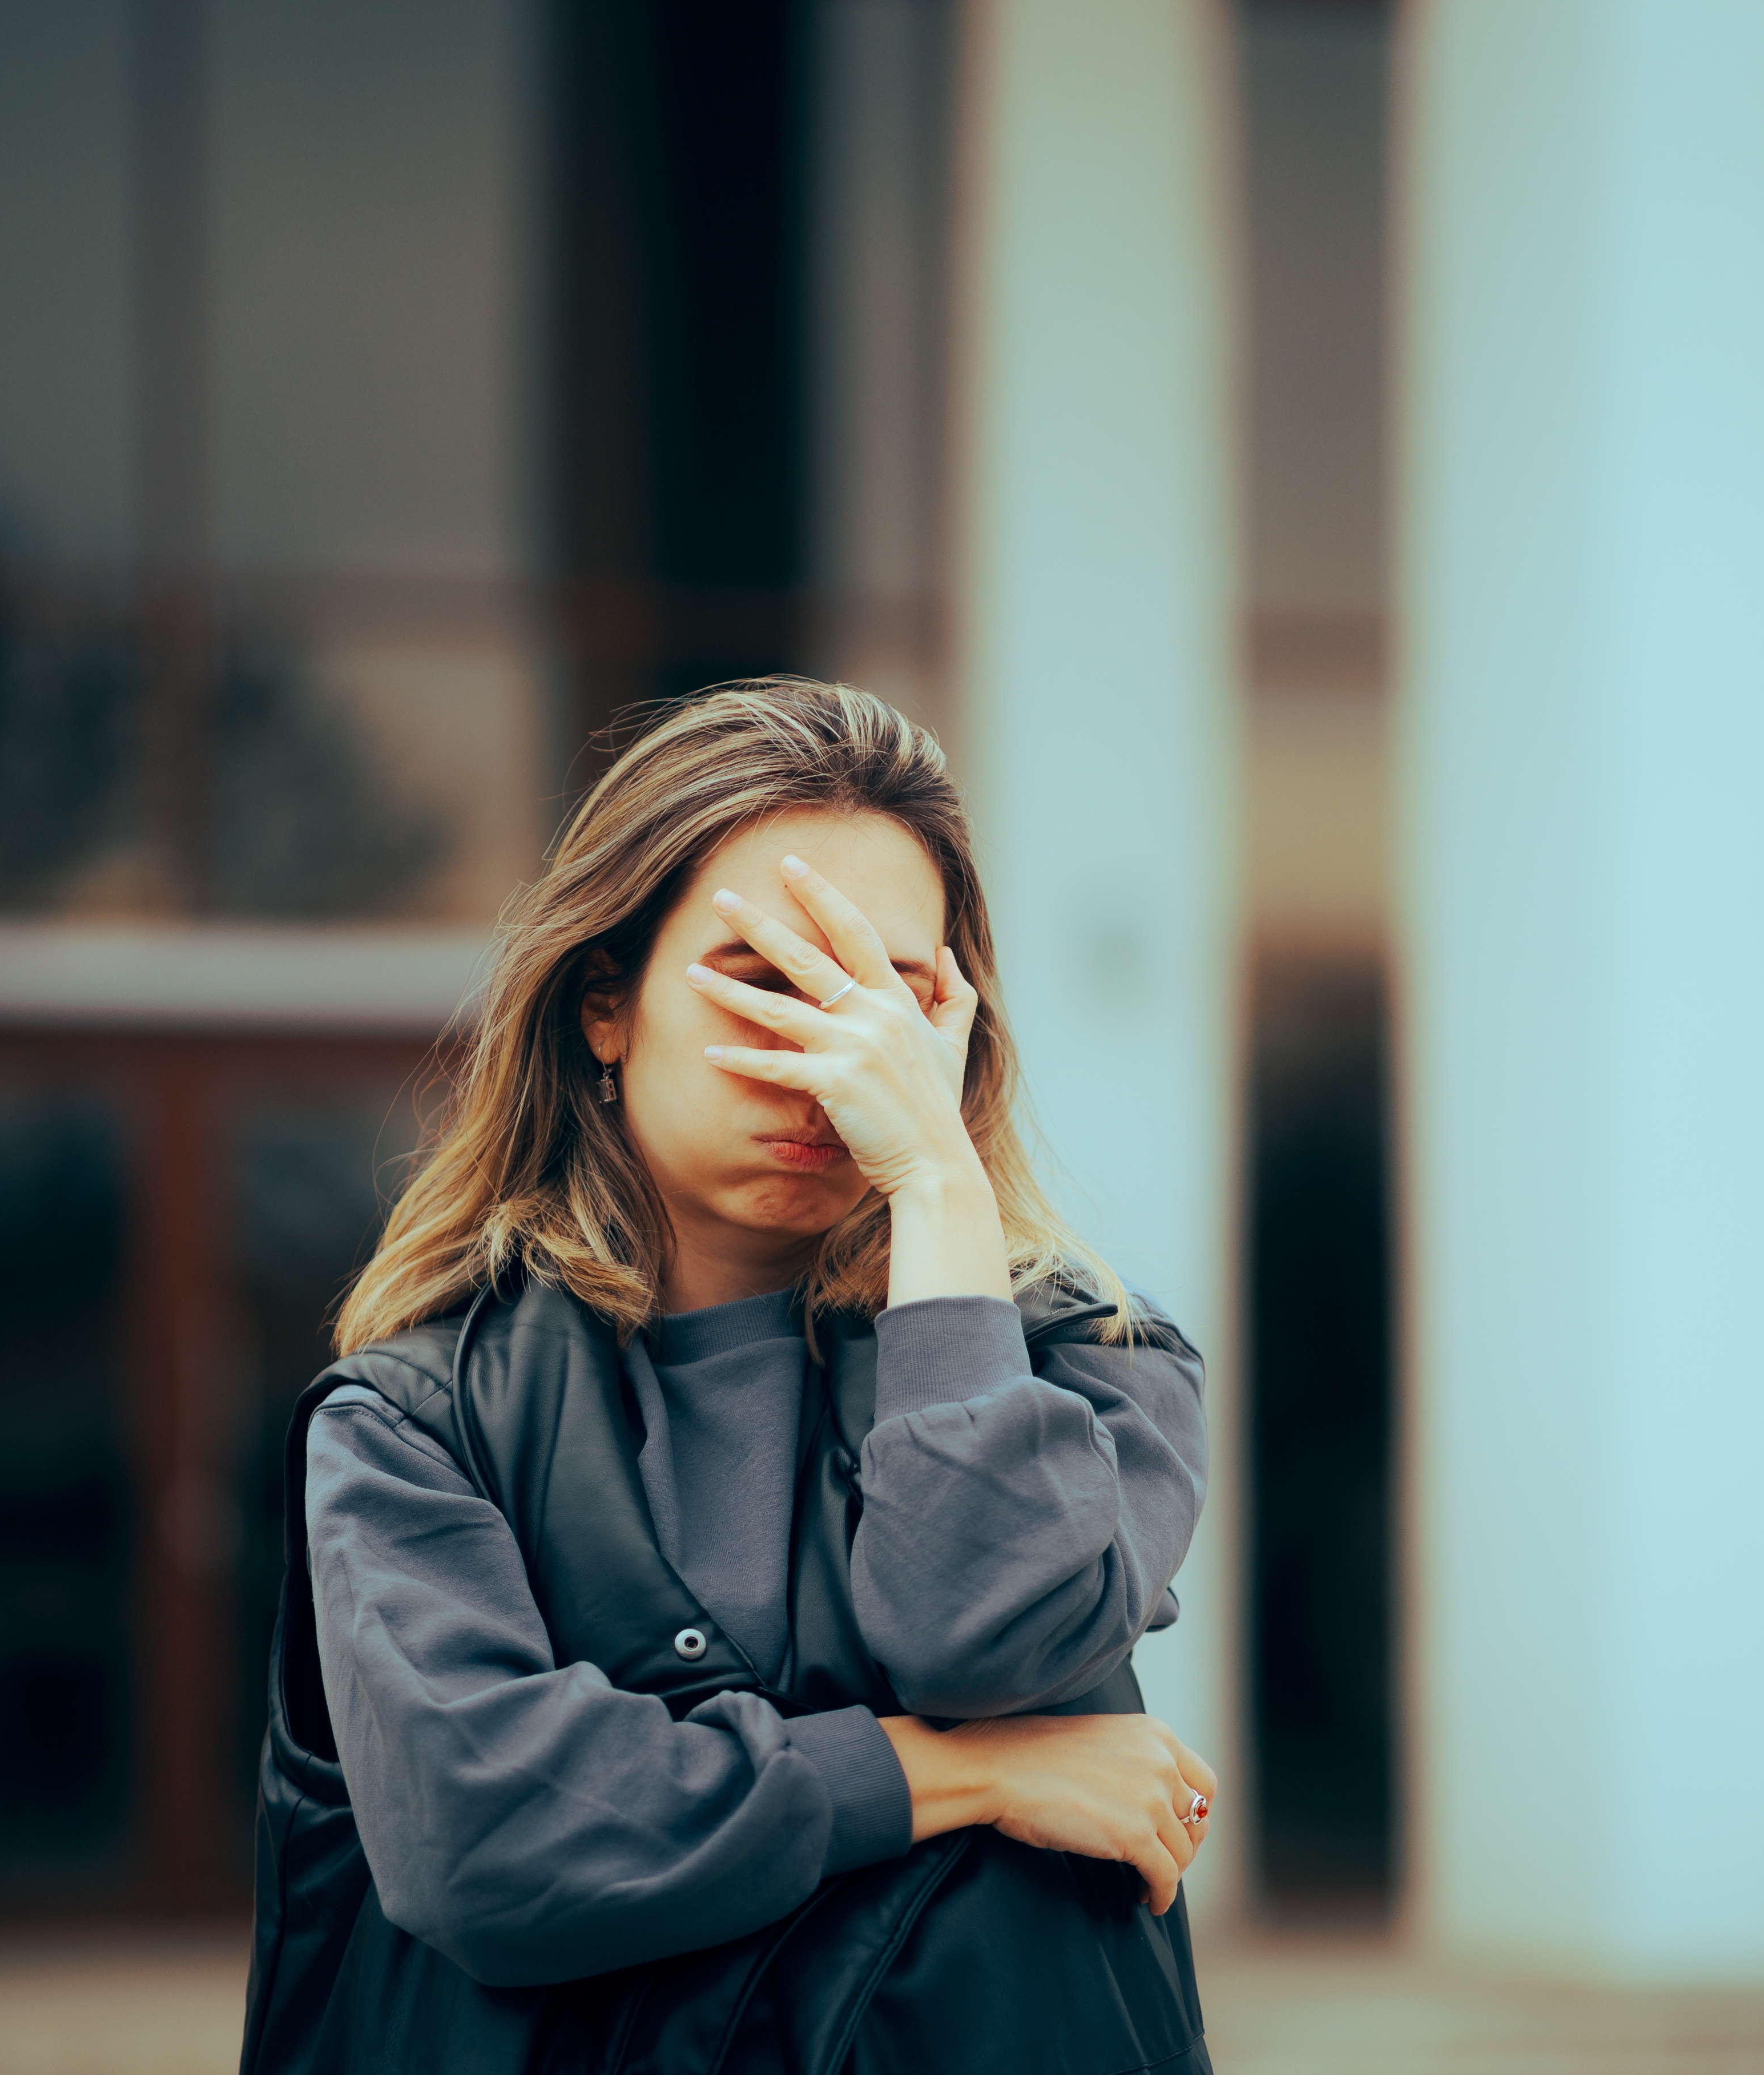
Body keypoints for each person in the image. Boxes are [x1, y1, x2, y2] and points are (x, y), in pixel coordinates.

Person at [241, 678, 1216, 2075]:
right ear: (603, 1004)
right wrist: (968, 1775)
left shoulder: (1098, 1366)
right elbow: (488, 1837)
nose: (833, 1057)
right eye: (769, 982)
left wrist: (937, 1187)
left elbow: (990, 1642)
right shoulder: (418, 1420)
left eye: (886, 995)